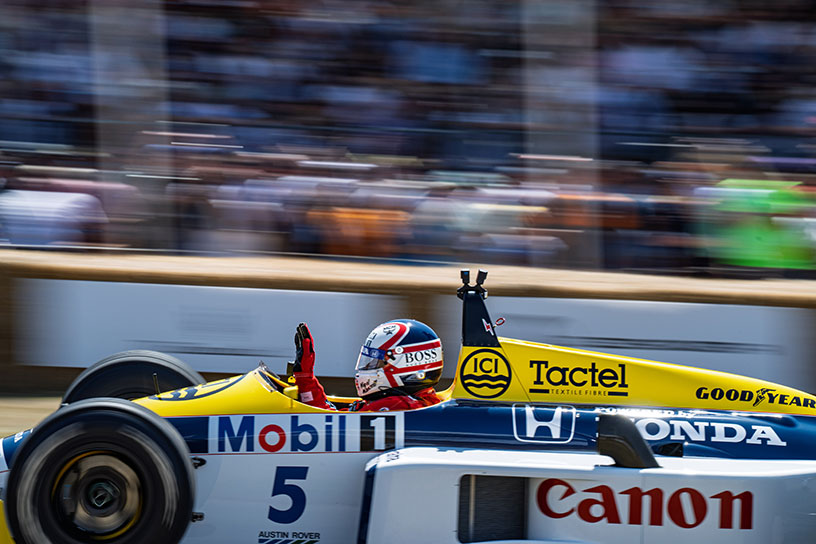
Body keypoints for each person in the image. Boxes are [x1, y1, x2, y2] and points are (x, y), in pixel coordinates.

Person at [292, 320, 443, 411]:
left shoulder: (394, 406)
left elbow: (331, 425)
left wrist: (305, 377)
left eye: (376, 361)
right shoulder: (420, 401)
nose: (368, 367)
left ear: (406, 363)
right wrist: (305, 379)